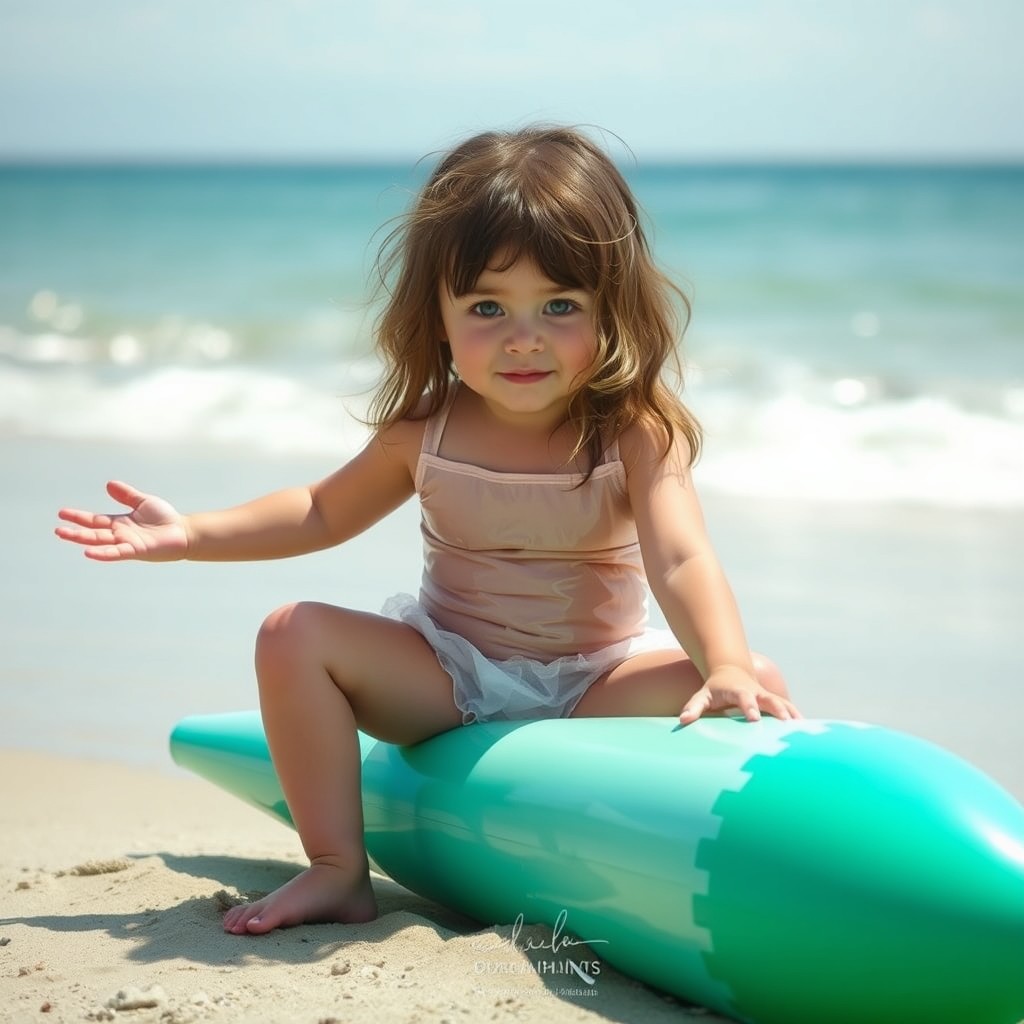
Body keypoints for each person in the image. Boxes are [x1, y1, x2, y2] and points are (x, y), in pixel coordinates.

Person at [55, 125, 800, 936]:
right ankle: (338, 869)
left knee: (755, 678)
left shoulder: (632, 432)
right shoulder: (427, 431)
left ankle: (743, 860)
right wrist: (192, 532)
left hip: (594, 681)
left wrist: (723, 663)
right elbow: (321, 509)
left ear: (610, 309)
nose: (524, 335)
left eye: (560, 305)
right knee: (289, 634)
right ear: (437, 317)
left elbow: (681, 555)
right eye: (487, 306)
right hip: (449, 680)